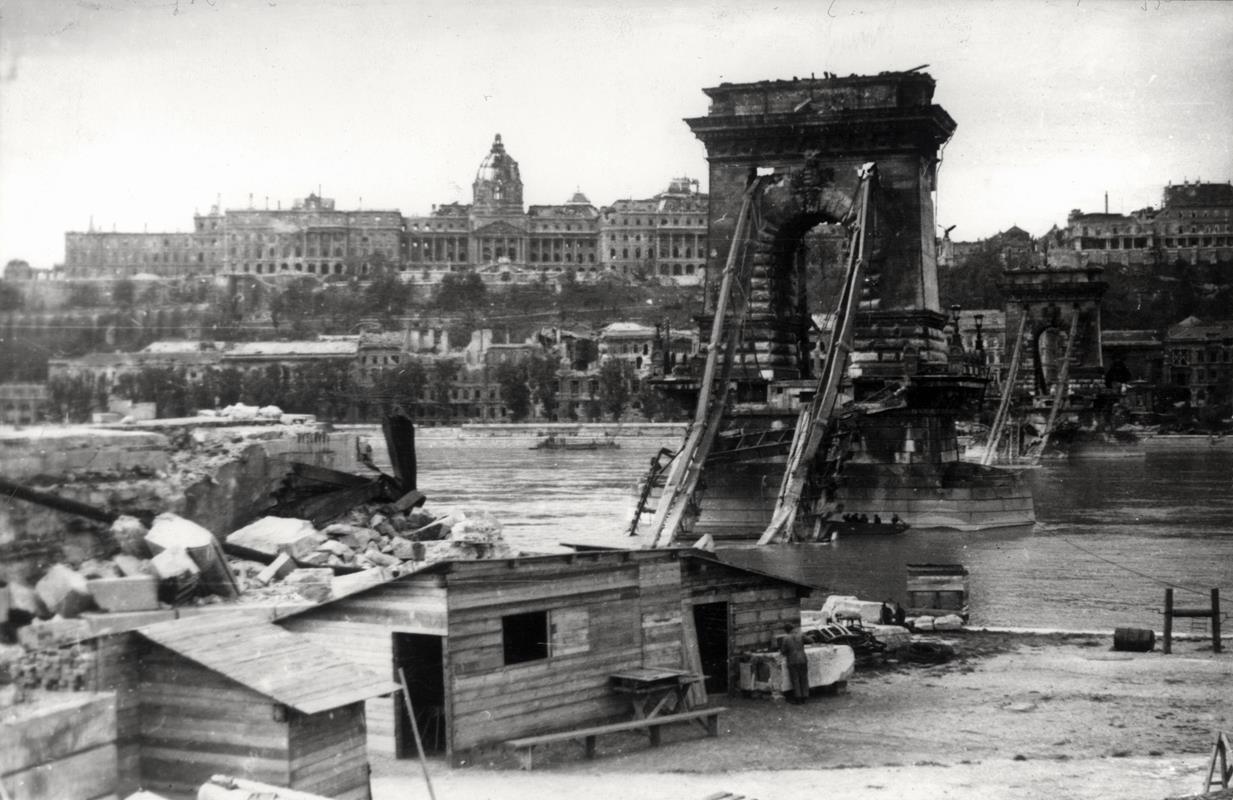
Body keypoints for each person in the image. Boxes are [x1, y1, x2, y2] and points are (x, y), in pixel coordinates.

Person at [778, 623, 810, 704]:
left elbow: (783, 651)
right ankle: (805, 697)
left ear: (786, 630)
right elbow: (811, 640)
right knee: (804, 678)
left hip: (792, 661)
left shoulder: (786, 638)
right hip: (803, 659)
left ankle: (798, 698)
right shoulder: (801, 635)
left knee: (795, 679)